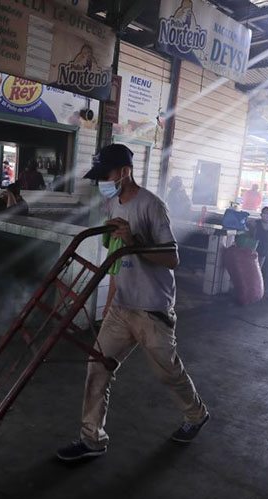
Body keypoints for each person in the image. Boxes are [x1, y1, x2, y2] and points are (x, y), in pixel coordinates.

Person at [56, 144, 209, 462]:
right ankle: (91, 439)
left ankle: (196, 415)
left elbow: (172, 258)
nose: (102, 183)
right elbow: (116, 260)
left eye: (106, 176)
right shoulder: (112, 202)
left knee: (167, 371)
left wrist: (135, 241)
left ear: (125, 172)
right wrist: (110, 303)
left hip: (152, 308)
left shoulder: (153, 206)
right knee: (98, 367)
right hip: (121, 307)